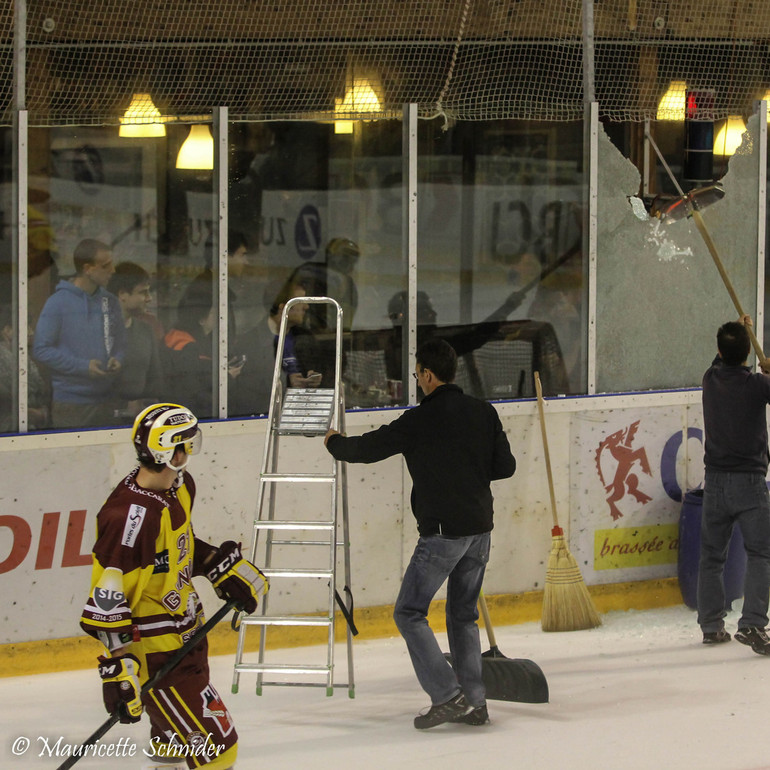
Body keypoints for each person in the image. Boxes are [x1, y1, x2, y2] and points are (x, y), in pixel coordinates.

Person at [324, 338, 516, 728]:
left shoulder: (419, 420)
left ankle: (448, 695)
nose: (416, 379)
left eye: (416, 374)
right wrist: (468, 471)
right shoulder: (484, 412)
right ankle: (475, 702)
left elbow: (365, 450)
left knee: (409, 613)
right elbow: (505, 466)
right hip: (480, 531)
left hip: (442, 535)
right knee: (463, 616)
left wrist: (333, 442)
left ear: (428, 375)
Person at [79, 402, 268, 769]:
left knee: (171, 748)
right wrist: (118, 671)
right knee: (218, 751)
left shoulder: (178, 488)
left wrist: (217, 566)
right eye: (185, 443)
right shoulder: (129, 519)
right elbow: (107, 597)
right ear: (167, 450)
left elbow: (179, 548)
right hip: (159, 655)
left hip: (187, 637)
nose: (190, 451)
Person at [698, 315, 770, 654]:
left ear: (718, 351)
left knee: (711, 557)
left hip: (714, 482)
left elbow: (725, 358)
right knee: (760, 553)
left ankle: (711, 626)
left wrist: (746, 332)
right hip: (750, 484)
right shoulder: (757, 386)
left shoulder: (709, 380)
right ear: (747, 355)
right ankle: (753, 623)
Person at [32, 238, 126, 428]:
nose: (113, 270)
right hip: (71, 403)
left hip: (108, 399)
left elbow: (121, 343)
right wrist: (83, 367)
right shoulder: (58, 302)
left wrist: (118, 358)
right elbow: (41, 349)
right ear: (87, 269)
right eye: (106, 265)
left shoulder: (110, 302)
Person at [231, 278, 322, 416]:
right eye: (300, 301)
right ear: (283, 307)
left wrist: (315, 377)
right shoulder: (249, 342)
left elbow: (325, 368)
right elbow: (244, 388)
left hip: (303, 415)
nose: (307, 306)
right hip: (265, 418)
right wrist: (286, 383)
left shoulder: (306, 338)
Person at [164, 278, 244, 417]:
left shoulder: (181, 336)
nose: (221, 316)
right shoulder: (186, 347)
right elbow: (193, 391)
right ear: (201, 319)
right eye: (214, 313)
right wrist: (227, 378)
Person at [108, 262, 166, 419]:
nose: (149, 299)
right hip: (103, 424)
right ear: (122, 294)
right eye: (143, 292)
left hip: (142, 422)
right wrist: (123, 407)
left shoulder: (146, 330)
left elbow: (156, 381)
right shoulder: (97, 333)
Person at [289, 237, 359, 331]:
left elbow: (346, 320)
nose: (348, 262)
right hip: (305, 334)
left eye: (353, 259)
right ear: (330, 255)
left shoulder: (349, 285)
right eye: (344, 256)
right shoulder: (308, 272)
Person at [0, 303, 49, 431]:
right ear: (7, 330)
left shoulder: (25, 358)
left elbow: (42, 393)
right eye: (25, 326)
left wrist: (42, 414)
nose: (30, 332)